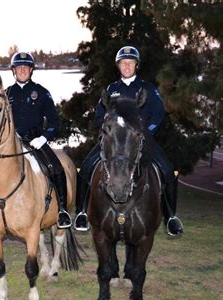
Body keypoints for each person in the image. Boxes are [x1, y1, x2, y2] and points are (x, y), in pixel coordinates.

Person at [73, 46, 184, 236]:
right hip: (114, 141)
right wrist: (106, 131)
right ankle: (82, 212)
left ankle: (171, 217)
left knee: (167, 169)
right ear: (118, 66)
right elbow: (100, 115)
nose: (127, 66)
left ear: (136, 65)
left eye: (130, 62)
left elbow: (158, 114)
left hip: (140, 139)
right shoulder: (111, 89)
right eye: (123, 63)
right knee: (86, 167)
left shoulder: (147, 88)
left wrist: (146, 133)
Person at [5, 52, 72, 229]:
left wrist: (43, 138)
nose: (22, 70)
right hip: (11, 142)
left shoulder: (41, 92)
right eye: (18, 67)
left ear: (31, 70)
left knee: (56, 168)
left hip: (35, 140)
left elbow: (54, 121)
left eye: (25, 67)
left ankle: (63, 211)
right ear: (13, 70)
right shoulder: (6, 94)